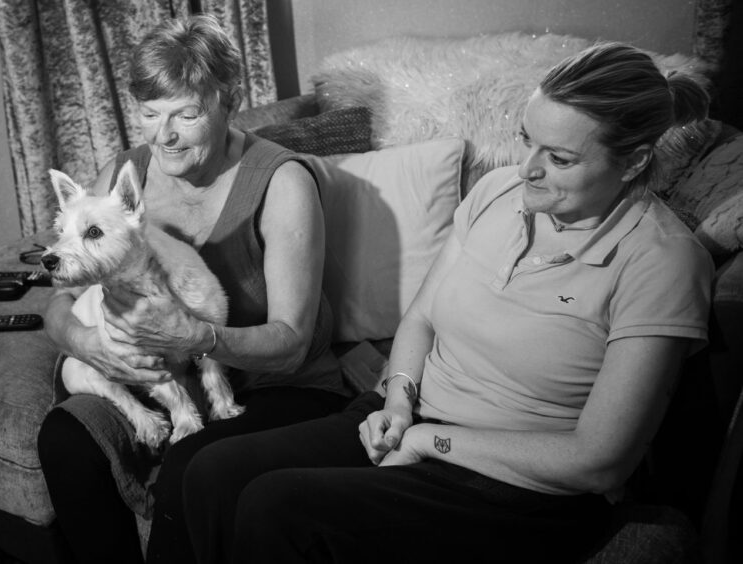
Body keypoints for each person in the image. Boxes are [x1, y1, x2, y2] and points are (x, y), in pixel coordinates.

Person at [178, 42, 715, 563]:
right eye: (525, 139)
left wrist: (432, 442)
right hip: (413, 417)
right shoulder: (498, 193)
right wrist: (396, 402)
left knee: (279, 509)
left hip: (519, 486)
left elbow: (599, 463)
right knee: (212, 471)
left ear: (633, 162)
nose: (527, 168)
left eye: (559, 158)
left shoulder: (662, 262)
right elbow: (422, 317)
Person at [36, 15, 349, 564]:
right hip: (162, 376)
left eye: (186, 112)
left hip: (273, 383)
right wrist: (86, 344)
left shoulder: (282, 184)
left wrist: (195, 338)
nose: (164, 135)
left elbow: (293, 342)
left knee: (191, 465)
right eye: (150, 113)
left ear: (228, 100)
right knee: (63, 440)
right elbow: (59, 301)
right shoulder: (124, 175)